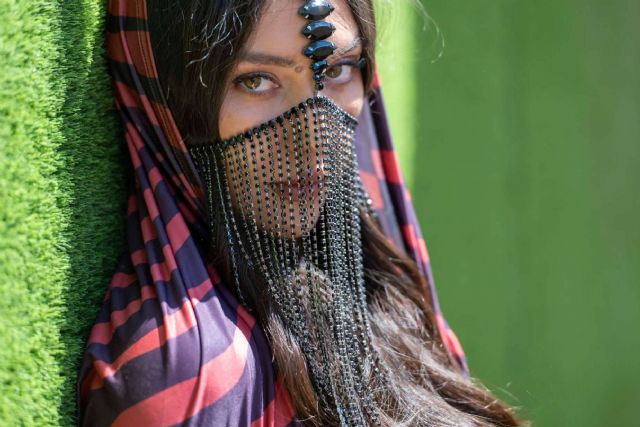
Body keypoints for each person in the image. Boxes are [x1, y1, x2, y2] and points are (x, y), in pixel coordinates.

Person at [77, 0, 525, 425]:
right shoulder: (192, 377)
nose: (313, 141)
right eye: (254, 81)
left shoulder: (385, 285)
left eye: (339, 69)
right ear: (166, 96)